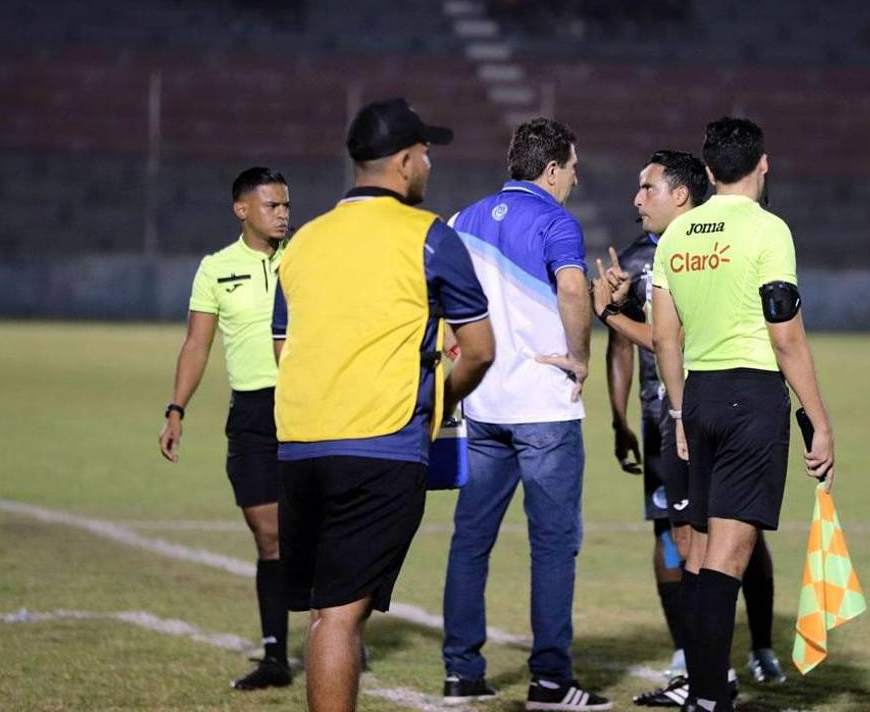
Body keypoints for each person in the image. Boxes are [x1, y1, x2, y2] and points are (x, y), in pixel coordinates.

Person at [271, 98, 494, 712]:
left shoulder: (305, 241)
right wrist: (437, 403)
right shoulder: (429, 237)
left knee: (327, 614)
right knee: (341, 619)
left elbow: (284, 348)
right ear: (402, 161)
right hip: (381, 446)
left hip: (298, 445)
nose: (428, 164)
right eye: (425, 153)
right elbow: (477, 350)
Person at [651, 119, 835, 712]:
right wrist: (820, 419)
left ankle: (705, 695)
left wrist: (679, 413)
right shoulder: (768, 230)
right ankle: (710, 698)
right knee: (726, 564)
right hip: (750, 398)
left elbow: (664, 340)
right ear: (763, 164)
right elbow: (787, 338)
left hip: (699, 398)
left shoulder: (676, 236)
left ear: (706, 172)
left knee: (704, 558)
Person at [595, 153, 783, 710]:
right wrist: (619, 415)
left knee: (729, 541)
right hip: (668, 417)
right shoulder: (636, 259)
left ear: (681, 194)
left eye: (646, 187)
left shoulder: (711, 244)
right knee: (681, 541)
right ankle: (700, 667)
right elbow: (627, 350)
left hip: (704, 411)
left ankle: (745, 654)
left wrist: (607, 313)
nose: (635, 199)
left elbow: (666, 338)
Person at [441, 118, 608, 711]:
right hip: (544, 407)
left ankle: (461, 673)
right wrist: (581, 357)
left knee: (471, 540)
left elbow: (437, 301)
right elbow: (571, 288)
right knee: (553, 545)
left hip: (482, 404)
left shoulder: (463, 219)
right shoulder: (557, 221)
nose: (574, 178)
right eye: (573, 168)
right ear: (553, 168)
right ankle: (550, 683)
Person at [158, 166, 294, 691]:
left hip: (308, 408)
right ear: (242, 209)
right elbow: (197, 344)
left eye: (286, 205)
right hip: (254, 415)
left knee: (322, 531)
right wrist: (176, 409)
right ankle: (276, 658)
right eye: (272, 205)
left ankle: (341, 630)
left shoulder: (305, 260)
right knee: (270, 535)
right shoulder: (216, 268)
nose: (283, 213)